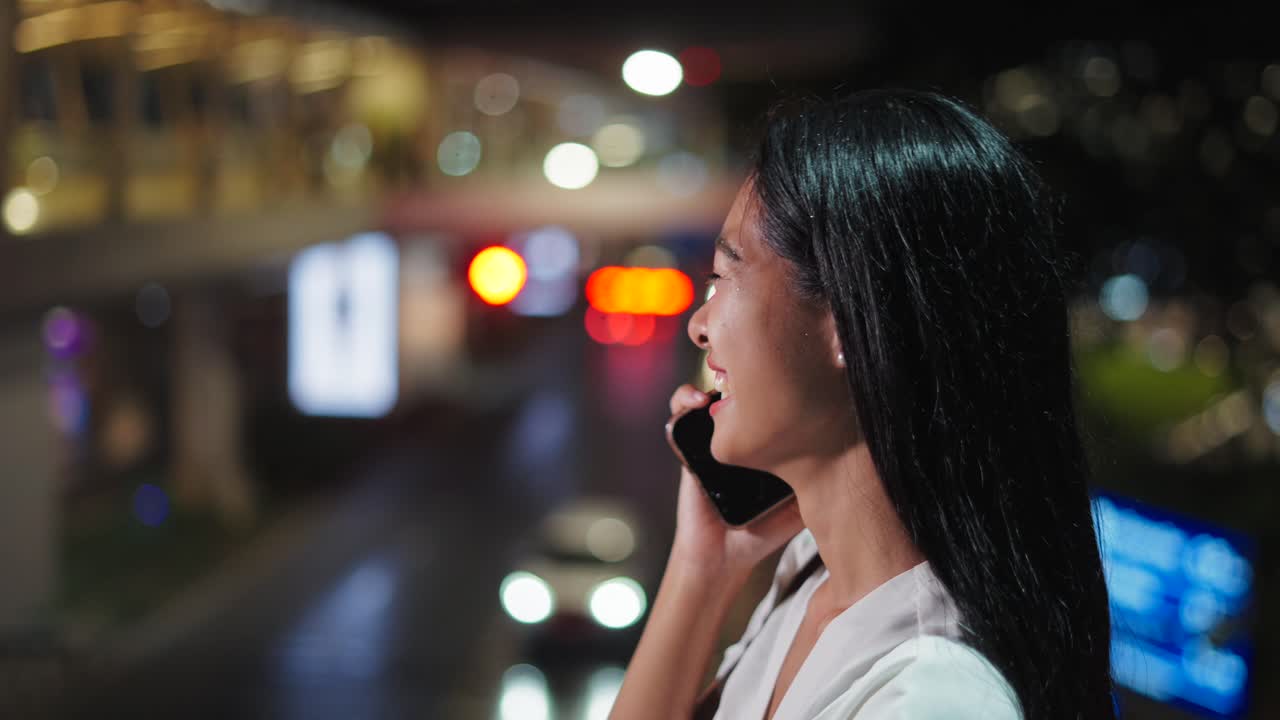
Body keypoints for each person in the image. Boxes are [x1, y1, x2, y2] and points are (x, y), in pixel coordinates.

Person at [608, 89, 1115, 720]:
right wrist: (702, 567)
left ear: (850, 322)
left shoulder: (933, 700)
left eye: (724, 274)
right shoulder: (814, 575)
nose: (699, 325)